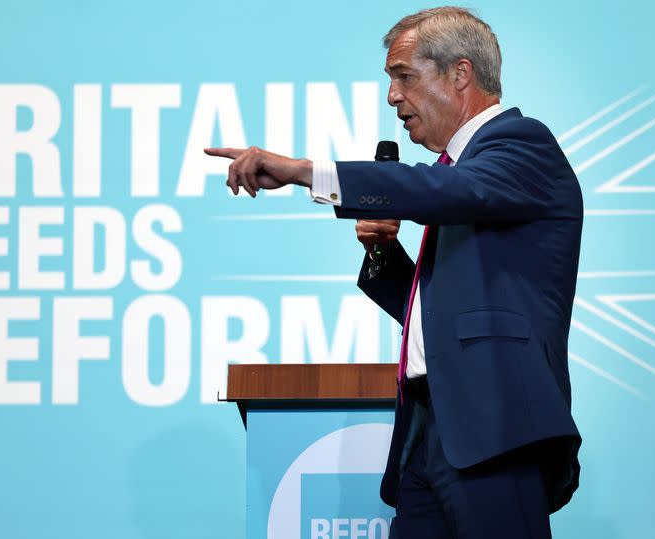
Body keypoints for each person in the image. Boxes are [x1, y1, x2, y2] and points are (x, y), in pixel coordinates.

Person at [205, 6, 582, 538]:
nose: (392, 97)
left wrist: (303, 171)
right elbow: (441, 308)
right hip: (426, 436)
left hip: (495, 427)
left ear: (460, 74)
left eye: (404, 77)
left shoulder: (520, 143)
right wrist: (385, 254)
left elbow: (436, 192)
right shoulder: (461, 176)